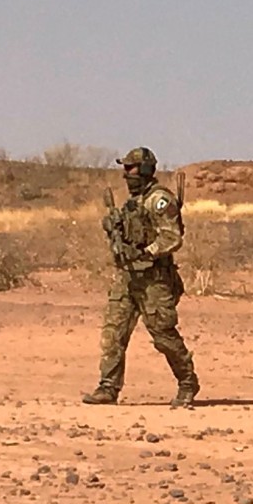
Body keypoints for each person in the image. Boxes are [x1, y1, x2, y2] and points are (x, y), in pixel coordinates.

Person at [82, 147, 200, 409]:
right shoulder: (132, 203)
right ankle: (108, 387)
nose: (126, 175)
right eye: (125, 169)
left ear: (145, 170)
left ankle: (187, 382)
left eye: (130, 169)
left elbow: (172, 237)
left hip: (153, 279)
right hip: (127, 278)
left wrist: (146, 252)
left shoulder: (159, 200)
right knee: (113, 333)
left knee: (163, 335)